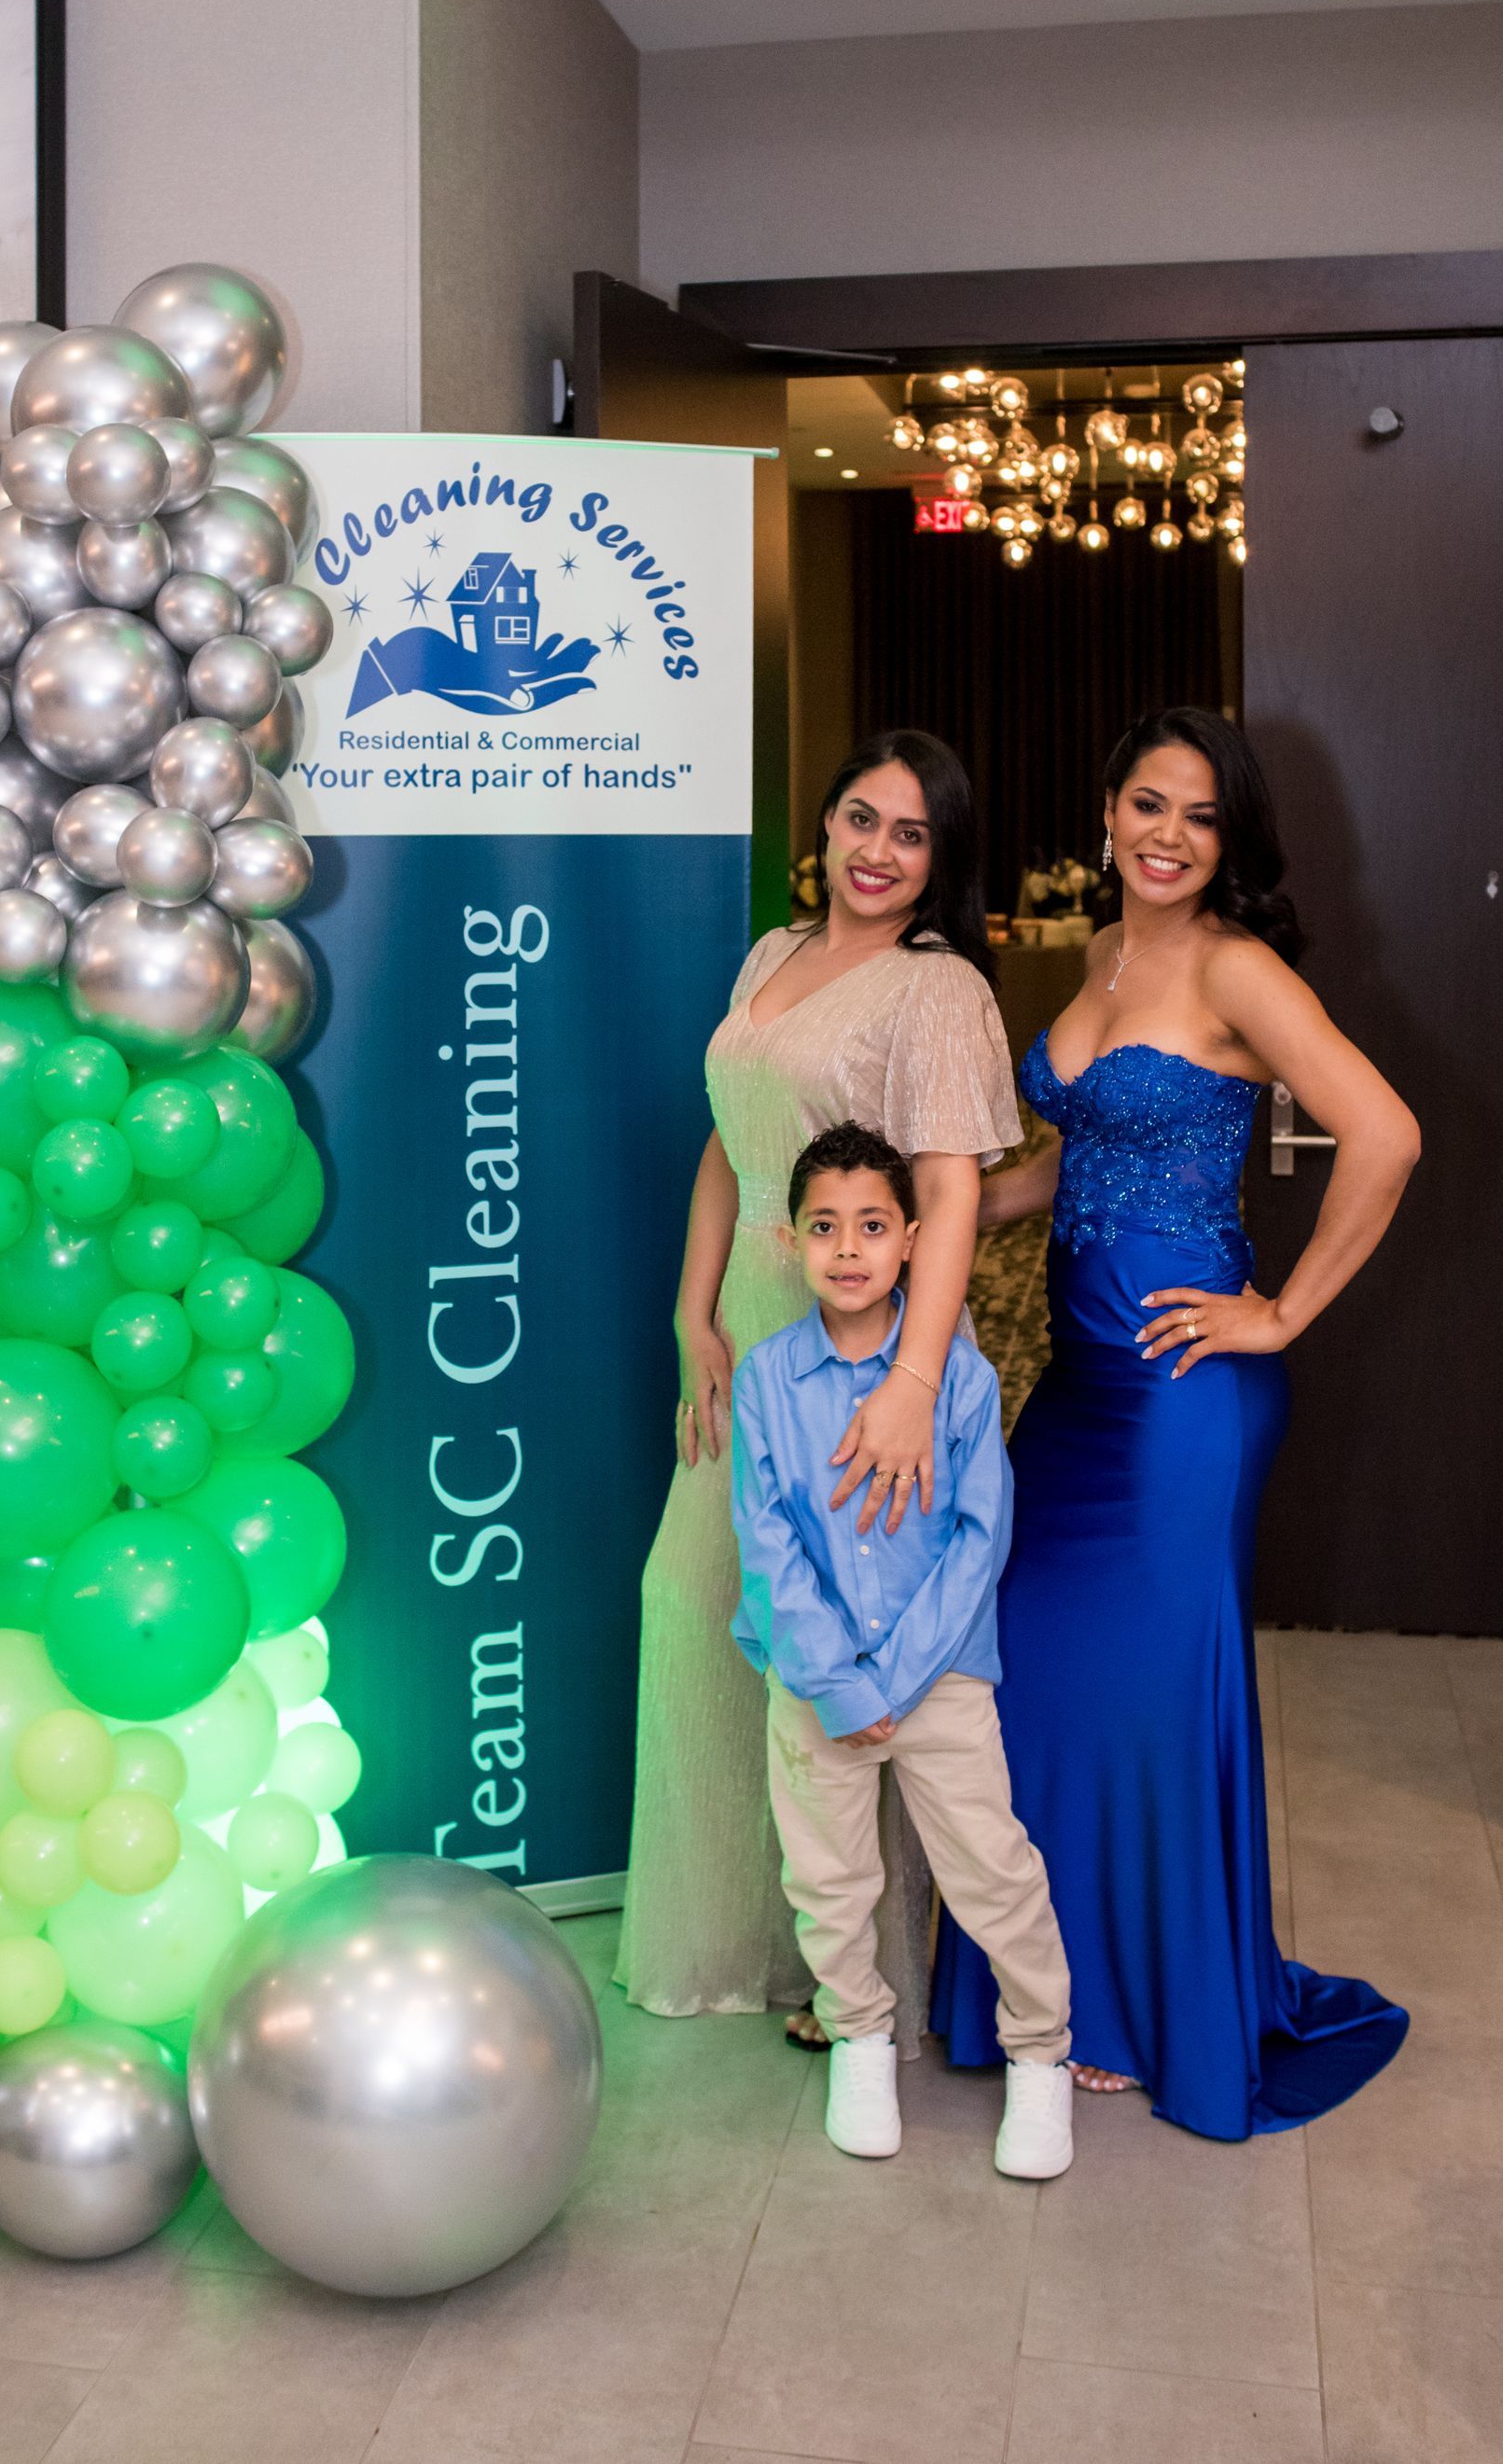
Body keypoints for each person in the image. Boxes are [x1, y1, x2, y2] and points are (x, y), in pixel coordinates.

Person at [932, 705, 1418, 2139]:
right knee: (1025, 1669)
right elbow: (1067, 1168)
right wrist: (943, 1213)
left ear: (1229, 842)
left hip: (1184, 1398)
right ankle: (1044, 1982)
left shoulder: (1233, 966)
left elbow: (1383, 1135)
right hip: (1080, 1394)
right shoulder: (1101, 955)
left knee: (1145, 1700)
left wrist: (1278, 1312)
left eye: (1199, 817)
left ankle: (1137, 2011)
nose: (1166, 834)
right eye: (1148, 803)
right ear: (1108, 810)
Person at [615, 731, 1020, 2044]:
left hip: (859, 1335)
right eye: (860, 817)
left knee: (844, 1647)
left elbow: (951, 1192)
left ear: (940, 860)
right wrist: (693, 1313)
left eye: (910, 834)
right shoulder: (773, 957)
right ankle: (749, 1944)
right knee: (694, 1605)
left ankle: (857, 1979)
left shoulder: (939, 988)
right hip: (749, 1323)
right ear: (826, 821)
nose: (876, 851)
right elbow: (730, 1150)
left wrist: (911, 1381)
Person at [731, 1122, 1074, 2175]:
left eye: (872, 1227)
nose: (848, 1249)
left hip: (940, 1677)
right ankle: (861, 2038)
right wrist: (839, 1683)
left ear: (913, 1241)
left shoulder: (957, 1383)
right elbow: (767, 1544)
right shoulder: (765, 1382)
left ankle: (1041, 2057)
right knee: (829, 1880)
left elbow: (980, 1540)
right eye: (826, 1228)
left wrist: (896, 1679)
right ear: (791, 1243)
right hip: (813, 1684)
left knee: (992, 1870)